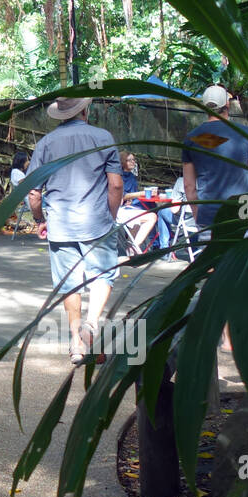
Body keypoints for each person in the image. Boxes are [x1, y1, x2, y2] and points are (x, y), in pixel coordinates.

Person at [27, 97, 123, 365]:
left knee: (70, 283)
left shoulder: (46, 143)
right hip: (96, 223)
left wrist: (40, 220)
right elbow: (115, 185)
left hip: (60, 225)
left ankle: (76, 343)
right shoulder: (103, 137)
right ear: (85, 110)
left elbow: (34, 192)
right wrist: (110, 217)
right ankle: (91, 324)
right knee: (102, 275)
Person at [181, 85, 248, 235]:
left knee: (212, 258)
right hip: (243, 212)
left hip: (208, 215)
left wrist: (198, 216)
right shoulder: (246, 133)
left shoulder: (192, 138)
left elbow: (189, 186)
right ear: (227, 104)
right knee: (242, 257)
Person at [116, 151, 160, 252]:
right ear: (122, 162)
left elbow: (130, 195)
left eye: (134, 160)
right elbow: (122, 196)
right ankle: (133, 247)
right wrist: (141, 193)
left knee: (152, 207)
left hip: (129, 206)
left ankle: (156, 242)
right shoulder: (118, 177)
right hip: (118, 209)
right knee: (151, 215)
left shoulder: (131, 176)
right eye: (129, 160)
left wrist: (130, 200)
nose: (133, 162)